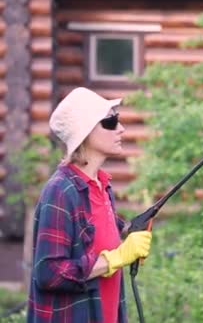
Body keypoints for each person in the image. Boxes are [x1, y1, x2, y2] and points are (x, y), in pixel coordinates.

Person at [27, 87, 152, 323]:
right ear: (84, 133)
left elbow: (99, 240)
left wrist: (131, 238)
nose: (121, 128)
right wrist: (115, 259)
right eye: (110, 122)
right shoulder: (61, 192)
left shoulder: (101, 186)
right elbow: (48, 273)